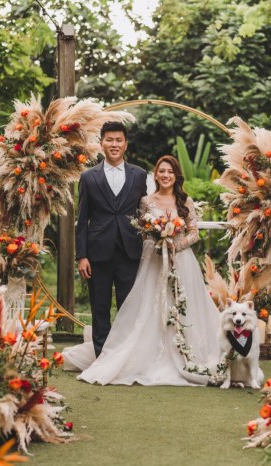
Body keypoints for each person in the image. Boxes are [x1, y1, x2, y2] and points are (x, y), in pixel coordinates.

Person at [63, 155, 221, 386]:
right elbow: (142, 230)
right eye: (161, 171)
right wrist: (158, 240)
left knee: (182, 304)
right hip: (152, 260)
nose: (165, 175)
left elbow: (194, 232)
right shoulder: (146, 201)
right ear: (155, 175)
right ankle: (140, 355)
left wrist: (174, 244)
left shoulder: (185, 201)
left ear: (176, 175)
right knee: (147, 307)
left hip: (181, 260)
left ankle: (184, 351)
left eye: (170, 172)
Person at [75, 121, 148, 357]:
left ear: (126, 144)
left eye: (119, 140)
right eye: (109, 139)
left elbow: (145, 211)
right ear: (101, 143)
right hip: (97, 253)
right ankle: (102, 357)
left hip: (130, 251)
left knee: (129, 307)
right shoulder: (88, 177)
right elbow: (82, 219)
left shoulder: (139, 175)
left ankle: (126, 358)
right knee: (100, 307)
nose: (114, 144)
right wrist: (81, 255)